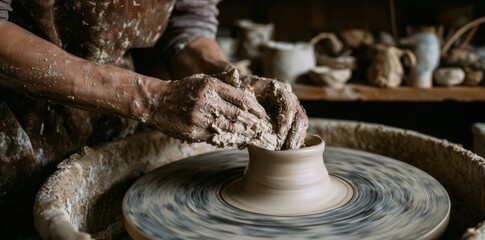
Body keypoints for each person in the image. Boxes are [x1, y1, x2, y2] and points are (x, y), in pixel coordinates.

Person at [0, 0, 307, 237]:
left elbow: (187, 25)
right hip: (19, 130)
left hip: (118, 124)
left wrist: (231, 81)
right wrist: (150, 98)